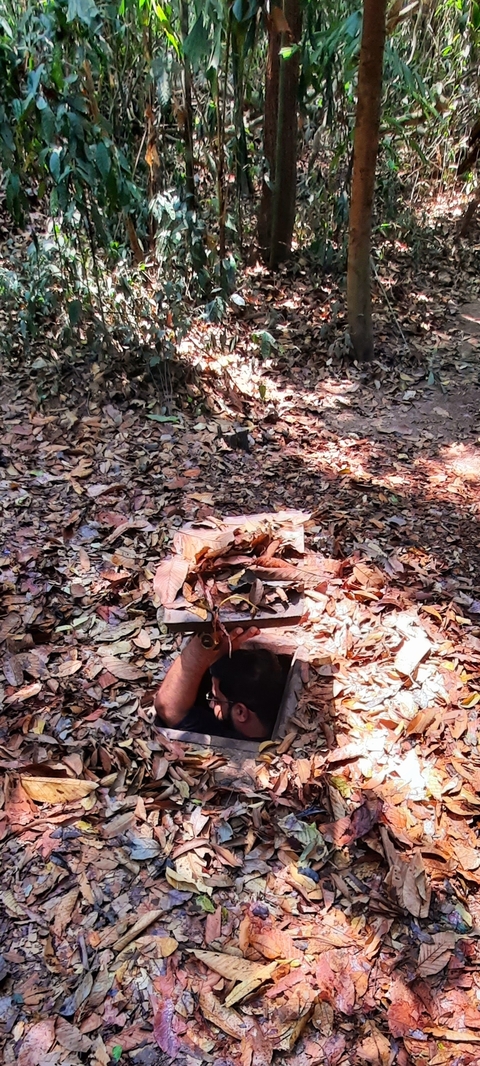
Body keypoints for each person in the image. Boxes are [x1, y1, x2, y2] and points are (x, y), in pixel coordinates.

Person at [154, 627, 286, 740]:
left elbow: (168, 709)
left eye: (216, 699)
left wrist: (201, 648)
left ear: (241, 712)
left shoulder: (228, 736)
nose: (211, 705)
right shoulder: (279, 697)